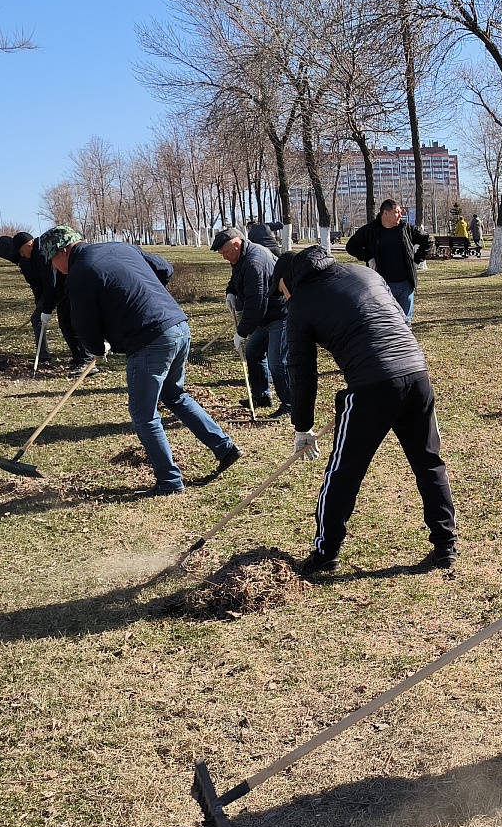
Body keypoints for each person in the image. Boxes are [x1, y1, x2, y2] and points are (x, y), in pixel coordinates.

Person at [276, 243, 457, 572]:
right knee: (429, 463)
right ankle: (446, 546)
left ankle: (325, 553)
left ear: (289, 281)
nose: (283, 298)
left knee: (343, 472)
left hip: (371, 388)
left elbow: (302, 374)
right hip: (416, 375)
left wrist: (302, 426)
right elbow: (395, 320)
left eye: (282, 291)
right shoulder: (365, 273)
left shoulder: (301, 303)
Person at [37, 226, 241, 496]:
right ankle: (224, 448)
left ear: (64, 251)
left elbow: (84, 324)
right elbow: (165, 269)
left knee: (144, 415)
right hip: (178, 326)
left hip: (150, 340)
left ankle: (169, 482)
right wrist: (144, 297)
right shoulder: (120, 246)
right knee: (175, 394)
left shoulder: (79, 275)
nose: (55, 268)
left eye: (53, 261)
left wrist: (96, 348)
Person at [212, 226, 290, 415]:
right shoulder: (241, 256)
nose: (225, 257)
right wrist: (230, 292)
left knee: (277, 363)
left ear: (237, 244)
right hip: (265, 315)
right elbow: (236, 277)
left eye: (226, 253)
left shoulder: (254, 262)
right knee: (253, 352)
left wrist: (241, 332)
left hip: (280, 314)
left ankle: (290, 404)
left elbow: (257, 304)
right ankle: (262, 396)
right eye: (222, 254)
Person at [0, 230, 95, 370]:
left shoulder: (42, 254)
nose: (22, 256)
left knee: (72, 321)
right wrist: (40, 306)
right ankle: (78, 357)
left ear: (29, 245)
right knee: (64, 322)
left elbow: (50, 284)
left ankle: (85, 359)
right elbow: (37, 287)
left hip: (65, 287)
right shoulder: (29, 258)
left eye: (22, 252)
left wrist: (45, 309)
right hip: (60, 289)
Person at [345, 199, 431, 320]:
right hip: (381, 286)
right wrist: (369, 257)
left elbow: (427, 240)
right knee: (386, 322)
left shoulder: (406, 229)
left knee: (405, 323)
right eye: (397, 212)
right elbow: (351, 246)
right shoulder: (370, 231)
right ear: (385, 213)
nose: (401, 215)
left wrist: (417, 259)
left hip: (406, 285)